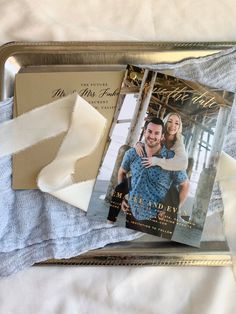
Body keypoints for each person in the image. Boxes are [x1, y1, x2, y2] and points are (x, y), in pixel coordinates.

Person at [107, 117, 189, 223]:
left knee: (172, 189)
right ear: (144, 132)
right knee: (122, 187)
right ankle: (110, 221)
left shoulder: (174, 154)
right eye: (149, 131)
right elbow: (122, 172)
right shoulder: (133, 153)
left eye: (156, 133)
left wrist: (173, 210)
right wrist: (123, 197)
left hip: (156, 218)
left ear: (162, 136)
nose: (152, 136)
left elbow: (185, 185)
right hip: (132, 212)